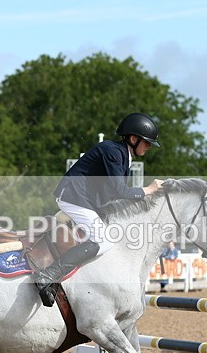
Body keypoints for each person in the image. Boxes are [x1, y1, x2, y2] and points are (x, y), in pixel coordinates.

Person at [32, 112, 164, 306]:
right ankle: (47, 275)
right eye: (147, 142)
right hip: (73, 196)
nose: (149, 146)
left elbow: (112, 193)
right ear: (134, 139)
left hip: (82, 199)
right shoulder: (113, 152)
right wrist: (148, 190)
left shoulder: (122, 155)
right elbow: (119, 191)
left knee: (106, 237)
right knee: (103, 240)